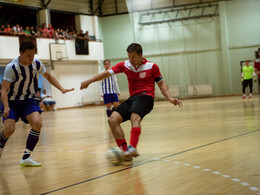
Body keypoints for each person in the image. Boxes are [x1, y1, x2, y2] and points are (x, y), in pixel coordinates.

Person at [80, 43, 182, 161]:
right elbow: (106, 73)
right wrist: (88, 81)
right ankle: (125, 152)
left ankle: (132, 147)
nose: (130, 60)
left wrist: (169, 98)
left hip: (146, 97)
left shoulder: (152, 66)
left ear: (140, 55)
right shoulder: (125, 65)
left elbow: (161, 84)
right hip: (133, 98)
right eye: (129, 57)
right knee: (112, 119)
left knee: (135, 116)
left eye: (133, 57)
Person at [0, 41, 74, 167]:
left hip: (28, 100)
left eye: (33, 55)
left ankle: (26, 157)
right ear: (21, 53)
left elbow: (49, 76)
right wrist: (6, 106)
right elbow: (4, 90)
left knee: (38, 123)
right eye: (28, 55)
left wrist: (61, 88)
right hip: (11, 102)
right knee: (9, 129)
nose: (31, 58)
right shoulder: (11, 68)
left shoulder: (36, 64)